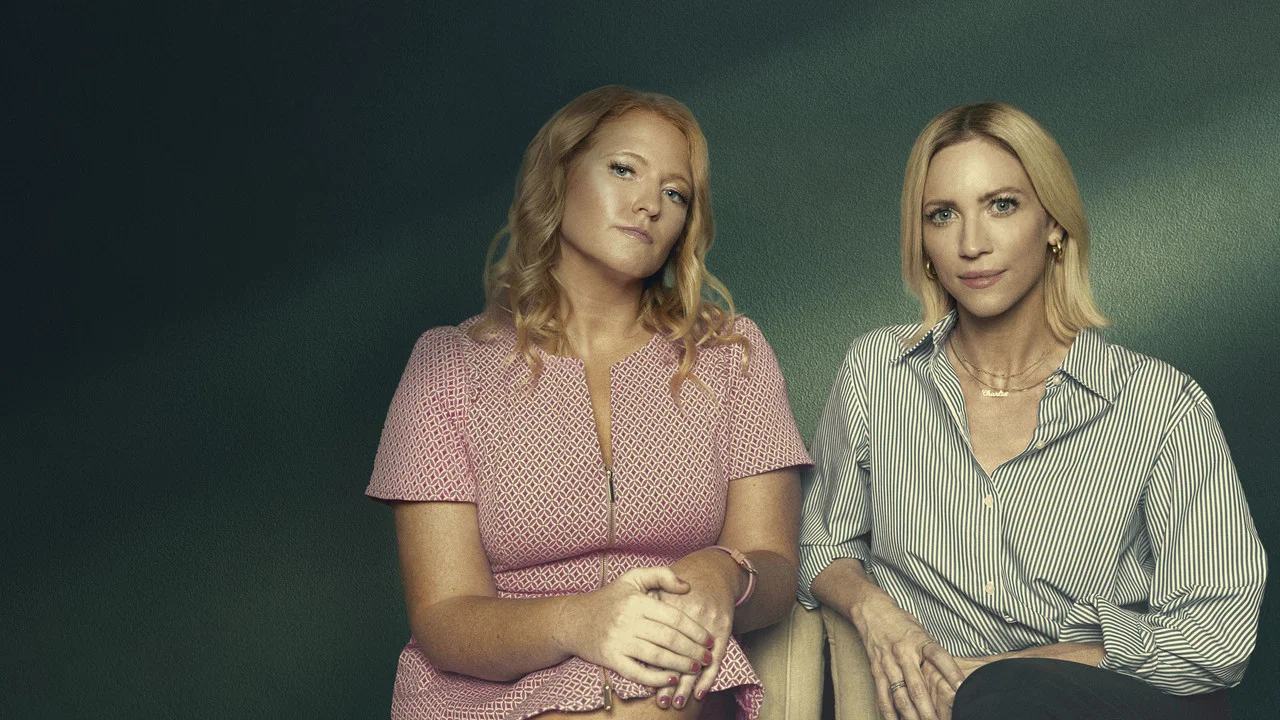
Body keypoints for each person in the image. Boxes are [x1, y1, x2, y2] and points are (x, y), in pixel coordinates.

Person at [797, 102, 1266, 720]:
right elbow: (821, 541)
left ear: (1054, 226)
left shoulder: (1160, 404)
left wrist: (1010, 670)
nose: (971, 244)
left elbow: (1220, 635)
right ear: (924, 243)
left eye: (1002, 205)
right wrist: (875, 612)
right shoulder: (875, 372)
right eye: (943, 215)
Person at [367, 85, 810, 720]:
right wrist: (579, 622)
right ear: (559, 177)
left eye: (675, 193)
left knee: (654, 677)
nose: (648, 204)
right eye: (624, 169)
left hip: (667, 666)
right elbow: (444, 615)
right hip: (485, 683)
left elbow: (775, 564)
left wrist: (722, 573)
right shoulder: (447, 365)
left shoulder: (731, 354)